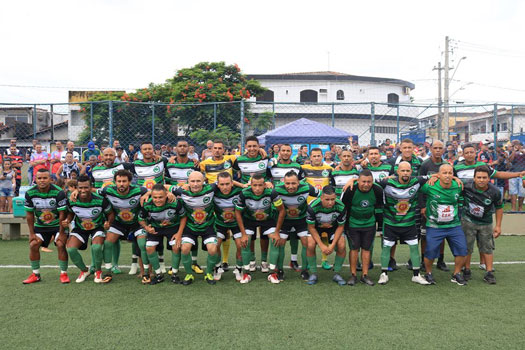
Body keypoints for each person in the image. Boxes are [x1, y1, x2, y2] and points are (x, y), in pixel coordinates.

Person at [345, 162, 432, 285]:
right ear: (397, 171)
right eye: (403, 171)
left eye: (408, 171)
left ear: (411, 172)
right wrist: (353, 179)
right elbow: (367, 179)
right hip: (390, 222)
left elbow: (436, 176)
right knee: (383, 248)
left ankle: (416, 275)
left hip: (409, 222)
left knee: (413, 247)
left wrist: (452, 177)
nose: (405, 173)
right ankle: (383, 274)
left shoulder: (417, 181)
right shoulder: (386, 182)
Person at [99, 170, 149, 283]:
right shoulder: (108, 190)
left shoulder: (139, 190)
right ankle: (107, 272)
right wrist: (76, 191)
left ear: (130, 182)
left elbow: (155, 191)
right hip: (119, 222)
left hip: (137, 223)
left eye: (124, 181)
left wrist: (147, 194)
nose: (121, 184)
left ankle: (146, 273)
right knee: (107, 242)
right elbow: (92, 192)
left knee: (142, 244)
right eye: (119, 181)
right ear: (114, 182)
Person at [421, 164, 467, 285]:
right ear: (439, 175)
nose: (447, 176)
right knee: (430, 251)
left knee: (462, 249)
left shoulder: (458, 185)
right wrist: (422, 207)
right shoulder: (430, 185)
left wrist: (457, 179)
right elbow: (418, 192)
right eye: (444, 173)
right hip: (434, 226)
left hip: (454, 225)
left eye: (450, 173)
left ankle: (456, 274)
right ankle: (428, 273)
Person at [235, 174, 285, 284]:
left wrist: (277, 232)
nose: (257, 188)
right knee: (245, 241)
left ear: (265, 185)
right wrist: (243, 234)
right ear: (250, 185)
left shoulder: (271, 193)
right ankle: (246, 273)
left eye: (260, 185)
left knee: (275, 240)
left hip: (267, 220)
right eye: (255, 185)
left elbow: (282, 210)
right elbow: (237, 212)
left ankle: (272, 272)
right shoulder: (244, 193)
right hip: (249, 220)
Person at [63, 175, 113, 284]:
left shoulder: (101, 200)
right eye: (80, 188)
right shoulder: (72, 200)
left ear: (91, 187)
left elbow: (110, 213)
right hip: (80, 228)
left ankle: (98, 271)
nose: (83, 190)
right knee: (70, 249)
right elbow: (71, 212)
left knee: (96, 247)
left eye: (86, 187)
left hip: (97, 227)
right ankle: (84, 270)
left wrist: (108, 222)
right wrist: (67, 220)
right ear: (77, 188)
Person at [172, 171, 220, 285]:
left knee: (213, 249)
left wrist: (243, 185)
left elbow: (228, 181)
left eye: (198, 181)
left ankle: (208, 273)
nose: (195, 184)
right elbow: (165, 187)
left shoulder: (211, 189)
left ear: (204, 181)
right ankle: (189, 274)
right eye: (192, 181)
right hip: (190, 227)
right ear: (188, 182)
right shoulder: (181, 191)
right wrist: (169, 193)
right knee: (184, 248)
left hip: (208, 227)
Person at [22, 168, 68, 284]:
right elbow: (29, 215)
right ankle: (36, 274)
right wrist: (31, 233)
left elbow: (63, 214)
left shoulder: (59, 192)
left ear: (50, 179)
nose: (42, 180)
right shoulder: (30, 193)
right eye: (39, 178)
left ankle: (63, 274)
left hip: (58, 225)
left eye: (45, 178)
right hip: (41, 226)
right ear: (35, 180)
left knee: (60, 244)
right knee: (33, 244)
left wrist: (62, 233)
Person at [461, 166, 503, 284]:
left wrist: (498, 226)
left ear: (489, 179)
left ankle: (489, 272)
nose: (481, 180)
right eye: (478, 177)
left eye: (484, 177)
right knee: (467, 247)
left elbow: (499, 208)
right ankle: (467, 269)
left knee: (487, 248)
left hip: (486, 223)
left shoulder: (495, 191)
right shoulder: (466, 186)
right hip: (468, 221)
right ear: (474, 178)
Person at [274, 171, 319, 281]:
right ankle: (280, 270)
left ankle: (304, 270)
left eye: (293, 183)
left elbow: (322, 195)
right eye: (287, 183)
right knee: (281, 242)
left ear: (298, 182)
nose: (290, 186)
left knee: (306, 242)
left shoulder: (307, 187)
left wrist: (313, 209)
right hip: (284, 220)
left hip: (301, 219)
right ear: (283, 182)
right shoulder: (276, 190)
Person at [341, 170, 384, 286]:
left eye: (369, 182)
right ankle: (353, 275)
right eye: (363, 181)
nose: (366, 184)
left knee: (366, 249)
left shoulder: (378, 190)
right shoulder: (350, 190)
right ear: (358, 181)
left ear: (372, 181)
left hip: (369, 224)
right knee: (354, 249)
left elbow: (380, 207)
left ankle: (365, 275)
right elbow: (343, 208)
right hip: (353, 224)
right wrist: (344, 226)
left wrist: (380, 226)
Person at [139, 184, 186, 285]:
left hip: (172, 227)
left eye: (160, 197)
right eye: (155, 197)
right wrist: (147, 227)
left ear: (166, 195)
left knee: (176, 246)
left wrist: (179, 233)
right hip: (156, 228)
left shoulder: (175, 203)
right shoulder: (147, 204)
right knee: (149, 247)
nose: (158, 200)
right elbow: (140, 219)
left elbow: (183, 217)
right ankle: (159, 274)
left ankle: (174, 274)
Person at [268, 144, 304, 270]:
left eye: (288, 151)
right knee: (279, 238)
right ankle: (276, 266)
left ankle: (293, 260)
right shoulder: (272, 165)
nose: (285, 153)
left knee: (294, 236)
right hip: (278, 206)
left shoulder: (297, 167)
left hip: (294, 205)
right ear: (279, 152)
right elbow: (266, 180)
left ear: (291, 152)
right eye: (283, 150)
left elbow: (302, 183)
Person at [305, 185, 347, 285]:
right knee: (310, 244)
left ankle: (337, 273)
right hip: (316, 228)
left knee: (342, 245)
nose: (330, 202)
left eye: (333, 199)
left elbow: (340, 227)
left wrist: (332, 246)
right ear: (321, 198)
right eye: (327, 199)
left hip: (333, 228)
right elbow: (311, 228)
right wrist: (322, 245)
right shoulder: (312, 207)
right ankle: (313, 273)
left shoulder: (341, 206)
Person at [418, 140, 449, 272]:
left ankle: (441, 260)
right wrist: (423, 206)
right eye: (435, 148)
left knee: (442, 235)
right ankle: (423, 260)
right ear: (430, 149)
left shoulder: (447, 165)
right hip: (428, 206)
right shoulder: (425, 165)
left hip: (443, 206)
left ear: (444, 150)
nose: (437, 150)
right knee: (424, 235)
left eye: (440, 148)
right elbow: (419, 186)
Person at [212, 172, 248, 282]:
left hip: (236, 223)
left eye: (227, 184)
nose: (225, 187)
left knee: (240, 245)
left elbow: (256, 185)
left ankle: (239, 268)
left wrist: (267, 183)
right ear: (217, 184)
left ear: (232, 183)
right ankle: (217, 267)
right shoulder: (212, 192)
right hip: (220, 223)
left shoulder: (240, 191)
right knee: (215, 245)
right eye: (222, 184)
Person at [301, 147, 334, 270]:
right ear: (310, 157)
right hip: (309, 206)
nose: (316, 158)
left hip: (324, 207)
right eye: (314, 156)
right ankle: (310, 261)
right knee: (310, 236)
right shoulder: (303, 169)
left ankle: (324, 260)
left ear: (323, 156)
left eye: (318, 156)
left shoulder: (329, 169)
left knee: (324, 233)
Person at [508, 142, 525, 211]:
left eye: (519, 145)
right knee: (513, 192)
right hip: (513, 173)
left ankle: (520, 208)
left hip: (523, 173)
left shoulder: (523, 152)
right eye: (516, 145)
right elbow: (510, 160)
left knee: (522, 191)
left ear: (521, 146)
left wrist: (522, 151)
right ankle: (513, 208)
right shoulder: (512, 152)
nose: (517, 147)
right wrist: (514, 152)